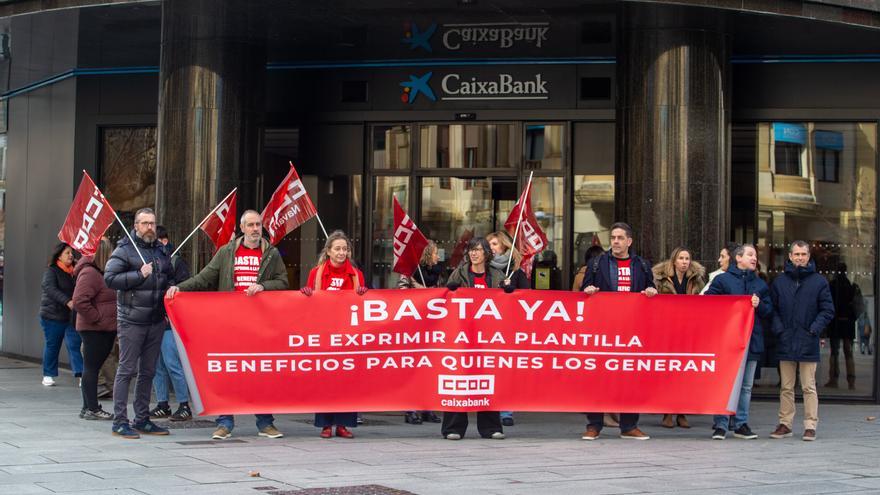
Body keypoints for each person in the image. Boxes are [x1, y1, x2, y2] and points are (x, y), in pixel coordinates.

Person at [167, 210, 288, 439]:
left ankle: (265, 423)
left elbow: (283, 281)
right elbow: (205, 278)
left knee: (260, 373)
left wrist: (264, 286)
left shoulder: (272, 253)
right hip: (231, 323)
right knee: (227, 372)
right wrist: (180, 288)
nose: (255, 229)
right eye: (250, 225)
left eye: (258, 224)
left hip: (259, 324)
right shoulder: (227, 252)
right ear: (242, 228)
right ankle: (224, 423)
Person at [580, 222, 656, 441]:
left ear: (629, 241)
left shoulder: (641, 265)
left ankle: (629, 426)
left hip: (632, 330)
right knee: (598, 377)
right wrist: (588, 291)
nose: (615, 241)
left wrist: (652, 291)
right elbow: (584, 290)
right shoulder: (597, 263)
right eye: (613, 237)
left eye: (620, 238)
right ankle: (594, 425)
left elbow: (651, 288)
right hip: (603, 329)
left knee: (631, 377)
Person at [104, 208, 176, 439]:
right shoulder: (125, 249)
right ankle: (119, 421)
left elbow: (170, 277)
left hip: (155, 320)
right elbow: (110, 278)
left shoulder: (161, 251)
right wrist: (139, 275)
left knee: (148, 371)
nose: (149, 228)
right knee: (126, 370)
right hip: (131, 321)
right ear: (136, 226)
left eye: (152, 223)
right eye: (144, 223)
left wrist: (173, 287)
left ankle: (142, 419)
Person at [300, 230, 367, 439]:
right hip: (324, 332)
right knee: (325, 378)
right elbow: (308, 301)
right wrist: (306, 293)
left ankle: (343, 424)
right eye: (337, 249)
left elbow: (363, 302)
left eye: (344, 249)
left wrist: (363, 294)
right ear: (328, 251)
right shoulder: (316, 273)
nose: (341, 252)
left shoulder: (356, 274)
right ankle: (326, 424)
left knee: (347, 379)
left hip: (347, 334)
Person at [704, 243, 773, 440]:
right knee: (725, 383)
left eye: (755, 255)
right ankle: (721, 424)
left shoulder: (760, 284)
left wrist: (759, 305)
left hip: (752, 339)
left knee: (746, 386)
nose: (754, 258)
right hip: (727, 340)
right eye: (750, 254)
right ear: (738, 258)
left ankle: (741, 423)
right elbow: (708, 302)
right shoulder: (722, 280)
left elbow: (769, 311)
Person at [768, 240, 835, 442]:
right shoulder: (779, 282)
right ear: (790, 256)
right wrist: (780, 330)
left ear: (808, 256)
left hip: (808, 339)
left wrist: (813, 329)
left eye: (803, 254)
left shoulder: (819, 282)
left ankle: (810, 425)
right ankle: (785, 424)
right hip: (786, 339)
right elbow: (772, 310)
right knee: (786, 387)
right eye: (796, 254)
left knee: (808, 386)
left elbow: (827, 310)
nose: (800, 258)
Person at [441, 237, 506, 440]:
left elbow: (508, 301)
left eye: (478, 250)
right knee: (458, 377)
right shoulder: (459, 273)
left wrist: (508, 290)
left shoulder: (497, 275)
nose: (474, 253)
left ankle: (491, 428)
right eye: (471, 250)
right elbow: (444, 298)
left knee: (488, 378)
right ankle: (453, 428)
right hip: (462, 335)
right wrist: (450, 289)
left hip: (488, 337)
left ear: (486, 253)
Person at [652, 246, 705, 429]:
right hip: (667, 329)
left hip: (688, 330)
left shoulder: (696, 279)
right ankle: (667, 412)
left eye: (687, 258)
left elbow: (704, 300)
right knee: (669, 372)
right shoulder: (660, 278)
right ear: (674, 260)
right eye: (681, 258)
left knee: (685, 373)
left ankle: (682, 412)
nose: (684, 262)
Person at [149, 226, 193, 422]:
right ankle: (162, 404)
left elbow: (184, 290)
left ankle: (184, 405)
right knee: (157, 364)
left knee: (171, 362)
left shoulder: (176, 262)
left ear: (164, 241)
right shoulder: (149, 261)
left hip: (170, 322)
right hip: (154, 319)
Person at [398, 240, 443, 425]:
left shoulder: (437, 273)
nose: (438, 257)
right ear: (427, 254)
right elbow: (401, 294)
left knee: (429, 367)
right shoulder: (408, 273)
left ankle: (427, 407)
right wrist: (421, 292)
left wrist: (426, 291)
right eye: (435, 253)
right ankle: (410, 409)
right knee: (412, 368)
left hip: (431, 325)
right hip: (412, 325)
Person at [486, 230, 528, 427]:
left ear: (504, 246)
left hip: (508, 327)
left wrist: (513, 292)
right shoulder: (483, 269)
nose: (491, 248)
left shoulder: (516, 271)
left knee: (505, 370)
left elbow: (527, 297)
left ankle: (506, 411)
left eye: (494, 244)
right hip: (486, 328)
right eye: (489, 245)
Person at [72, 238, 116, 420]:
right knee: (91, 368)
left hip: (101, 328)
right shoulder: (90, 273)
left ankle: (87, 407)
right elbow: (79, 301)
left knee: (92, 368)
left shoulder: (98, 272)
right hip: (95, 329)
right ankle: (92, 408)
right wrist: (97, 318)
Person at [39, 242, 84, 386]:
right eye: (67, 253)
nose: (71, 255)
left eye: (71, 253)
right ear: (59, 256)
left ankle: (81, 375)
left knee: (74, 345)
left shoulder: (75, 271)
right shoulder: (52, 270)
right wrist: (67, 301)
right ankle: (48, 374)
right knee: (53, 345)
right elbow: (49, 288)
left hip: (70, 317)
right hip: (52, 316)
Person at [825, 264, 857, 390]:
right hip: (848, 322)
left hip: (835, 322)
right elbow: (857, 306)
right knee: (848, 352)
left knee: (834, 351)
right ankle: (851, 381)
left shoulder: (832, 285)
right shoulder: (851, 286)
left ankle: (833, 379)